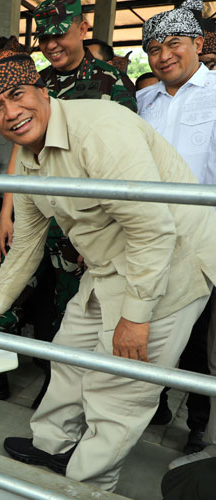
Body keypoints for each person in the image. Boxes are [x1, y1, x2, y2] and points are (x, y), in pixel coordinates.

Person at [0, 47, 216, 492]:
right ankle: (52, 445)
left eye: (18, 95)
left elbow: (153, 232)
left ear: (42, 90)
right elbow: (26, 241)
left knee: (117, 390)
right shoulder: (27, 156)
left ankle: (86, 483)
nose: (11, 113)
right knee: (69, 358)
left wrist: (136, 318)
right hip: (108, 265)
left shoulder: (100, 131)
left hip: (172, 266)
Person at [137, 0, 216, 466]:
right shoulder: (144, 101)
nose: (163, 55)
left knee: (199, 336)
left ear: (197, 44)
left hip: (201, 237)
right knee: (154, 327)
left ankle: (200, 427)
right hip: (150, 235)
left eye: (173, 44)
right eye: (153, 48)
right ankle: (158, 406)